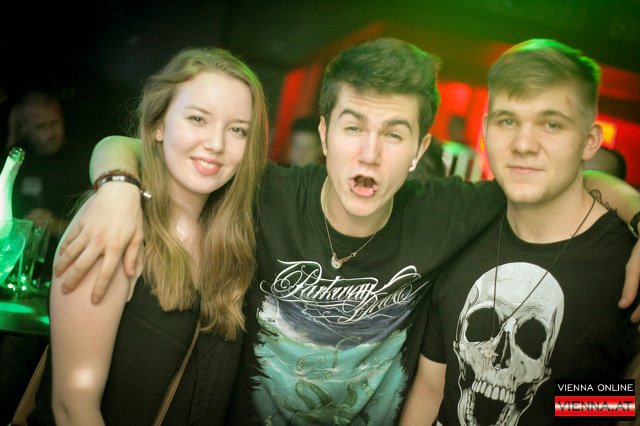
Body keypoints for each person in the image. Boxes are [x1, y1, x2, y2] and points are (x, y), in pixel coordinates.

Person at [52, 38, 640, 424]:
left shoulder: (470, 219)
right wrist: (117, 184)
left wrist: (633, 207)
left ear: (420, 150)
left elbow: (618, 395)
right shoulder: (266, 193)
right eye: (354, 127)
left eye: (394, 135)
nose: (369, 154)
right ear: (325, 133)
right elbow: (165, 149)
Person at [400, 39, 640, 425]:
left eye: (551, 124)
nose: (523, 145)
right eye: (508, 121)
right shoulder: (462, 230)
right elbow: (431, 387)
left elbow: (628, 404)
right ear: (485, 129)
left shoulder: (625, 266)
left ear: (589, 141)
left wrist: (560, 399)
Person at [27, 47, 268, 425]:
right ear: (158, 125)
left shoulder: (228, 239)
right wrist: (118, 184)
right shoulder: (116, 222)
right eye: (197, 119)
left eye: (237, 129)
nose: (216, 144)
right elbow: (73, 409)